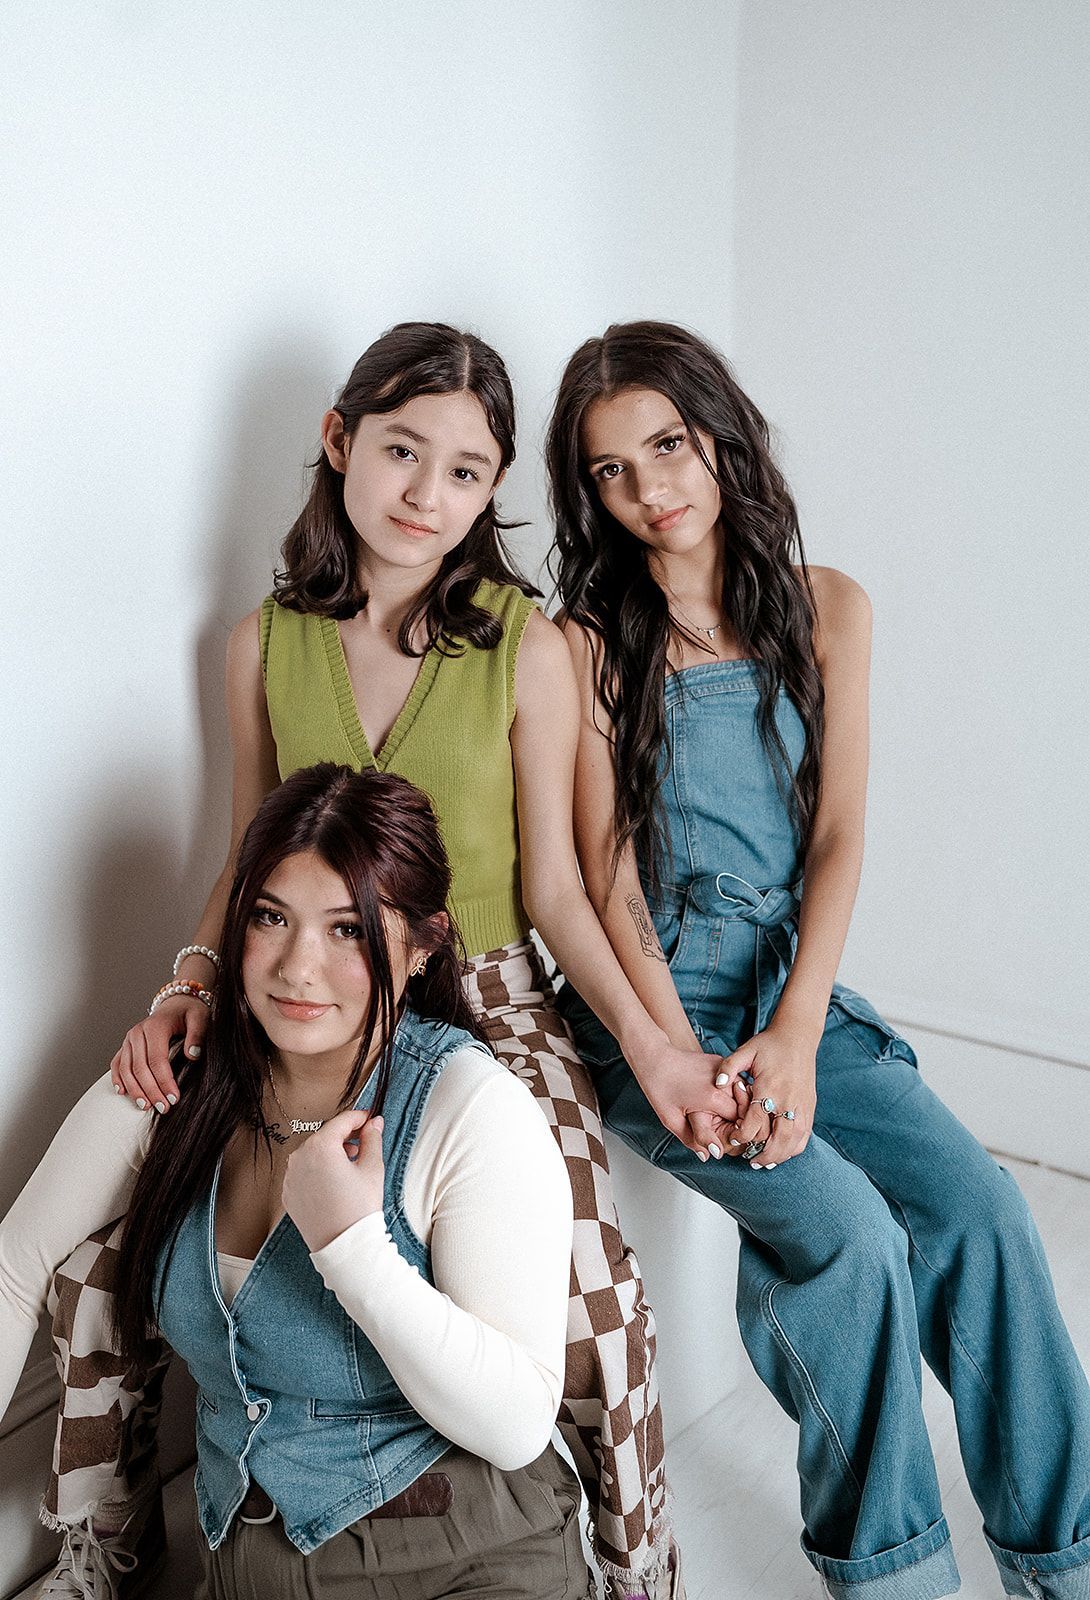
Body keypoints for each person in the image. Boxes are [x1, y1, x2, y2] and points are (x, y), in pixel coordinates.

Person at [37, 324, 720, 1598]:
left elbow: (563, 890)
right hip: (302, 996)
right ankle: (103, 1547)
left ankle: (638, 1573)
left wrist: (657, 1051)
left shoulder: (528, 644)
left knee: (596, 1289)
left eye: (466, 472)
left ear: (493, 489)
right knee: (103, 1258)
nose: (426, 496)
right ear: (338, 441)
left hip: (493, 999)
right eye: (403, 451)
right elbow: (245, 862)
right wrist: (187, 988)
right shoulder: (261, 643)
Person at [545, 319, 1090, 1600]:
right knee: (849, 1237)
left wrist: (794, 1034)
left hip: (795, 991)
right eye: (611, 471)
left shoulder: (829, 605)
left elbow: (839, 836)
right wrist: (679, 1055)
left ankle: (1064, 1559)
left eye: (666, 445)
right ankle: (896, 1577)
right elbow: (606, 880)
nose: (648, 489)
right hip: (658, 1009)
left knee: (984, 1211)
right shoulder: (587, 645)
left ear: (718, 430)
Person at [0, 762, 593, 1598]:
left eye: (347, 930)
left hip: (463, 1551)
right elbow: (14, 1268)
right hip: (251, 1566)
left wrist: (355, 1248)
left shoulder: (469, 1106)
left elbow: (519, 1424)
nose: (296, 967)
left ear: (423, 945)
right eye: (270, 917)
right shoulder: (175, 1082)